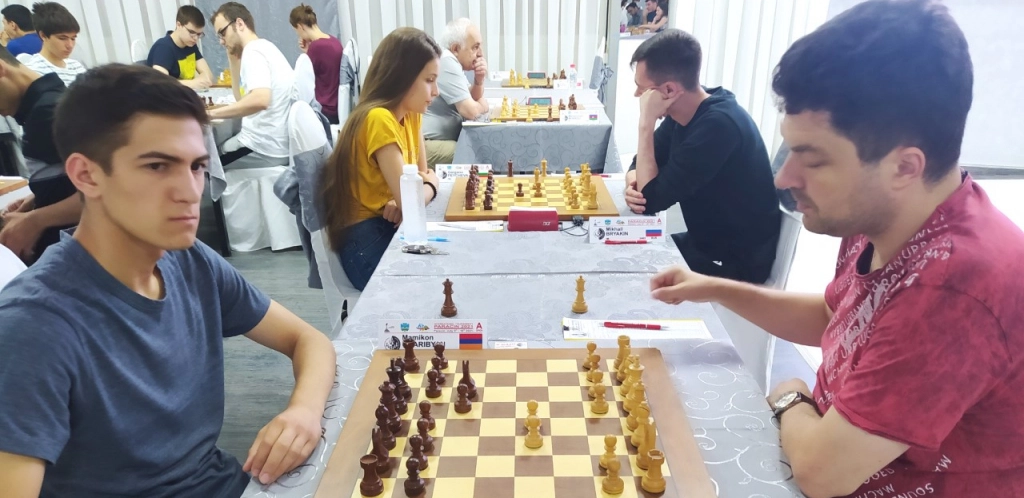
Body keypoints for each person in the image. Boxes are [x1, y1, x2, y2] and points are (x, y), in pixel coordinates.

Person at [651, 1, 1024, 497]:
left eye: (814, 160)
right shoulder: (882, 215)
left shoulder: (955, 288)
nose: (784, 178)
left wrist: (790, 395)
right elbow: (835, 317)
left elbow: (820, 472)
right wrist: (714, 288)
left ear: (904, 167)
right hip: (820, 443)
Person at [0, 63, 336, 496]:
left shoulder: (189, 261)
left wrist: (303, 411)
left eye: (196, 166)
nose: (190, 191)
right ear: (85, 174)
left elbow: (309, 340)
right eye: (158, 166)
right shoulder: (33, 326)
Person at [625, 29, 780, 284]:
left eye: (641, 90)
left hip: (735, 264)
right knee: (623, 249)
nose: (636, 97)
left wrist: (646, 123)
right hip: (703, 243)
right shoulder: (686, 111)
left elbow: (651, 200)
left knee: (633, 274)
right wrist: (633, 181)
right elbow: (640, 167)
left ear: (668, 90)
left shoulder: (719, 126)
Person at [321, 28, 441, 291]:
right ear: (402, 77)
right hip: (364, 242)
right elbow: (416, 195)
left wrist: (413, 193)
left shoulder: (411, 113)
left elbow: (419, 179)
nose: (436, 91)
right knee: (432, 284)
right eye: (429, 80)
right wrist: (430, 186)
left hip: (388, 226)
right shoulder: (379, 118)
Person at [0, 46, 77, 263]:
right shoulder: (48, 105)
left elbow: (109, 191)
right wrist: (38, 198)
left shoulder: (48, 113)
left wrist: (35, 220)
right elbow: (76, 179)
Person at [210, 2, 295, 170]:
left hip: (263, 147)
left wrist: (210, 114)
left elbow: (260, 100)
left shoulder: (253, 52)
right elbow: (241, 99)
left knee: (208, 166)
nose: (221, 41)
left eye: (222, 33)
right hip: (271, 143)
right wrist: (232, 58)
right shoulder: (264, 47)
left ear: (239, 24)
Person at [422, 18, 488, 170]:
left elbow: (471, 98)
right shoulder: (446, 61)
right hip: (428, 144)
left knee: (476, 147)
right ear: (456, 48)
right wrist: (484, 106)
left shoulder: (451, 61)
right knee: (477, 153)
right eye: (475, 47)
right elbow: (471, 111)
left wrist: (479, 80)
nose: (480, 54)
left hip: (438, 140)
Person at [289, 4, 342, 124]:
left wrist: (309, 52)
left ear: (300, 27)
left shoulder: (317, 47)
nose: (299, 36)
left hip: (325, 110)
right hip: (335, 106)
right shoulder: (333, 41)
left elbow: (302, 81)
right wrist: (308, 51)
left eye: (297, 32)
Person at [146, 5, 213, 89]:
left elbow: (208, 75)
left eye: (199, 34)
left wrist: (200, 81)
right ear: (179, 25)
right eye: (191, 32)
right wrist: (192, 83)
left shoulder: (190, 45)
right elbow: (161, 83)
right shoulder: (163, 47)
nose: (196, 38)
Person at [22, 2, 85, 88]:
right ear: (43, 35)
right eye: (62, 38)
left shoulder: (76, 66)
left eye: (73, 38)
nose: (70, 45)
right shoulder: (33, 71)